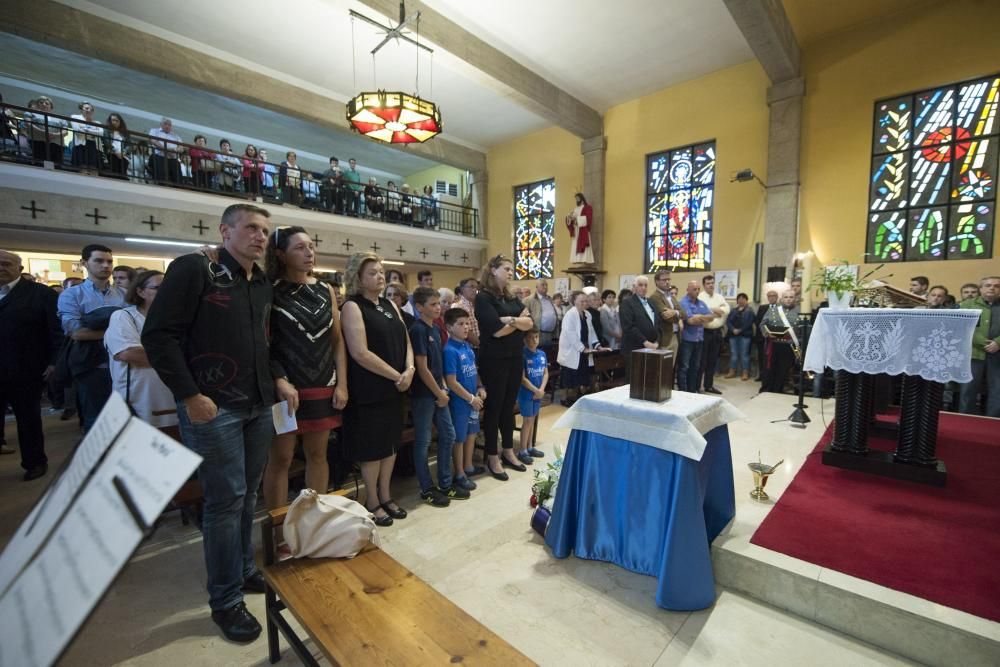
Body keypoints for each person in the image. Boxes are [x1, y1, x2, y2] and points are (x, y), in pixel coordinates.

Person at [142, 204, 285, 642]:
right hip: (212, 405)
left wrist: (276, 381)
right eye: (251, 228)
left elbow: (263, 340)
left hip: (258, 404)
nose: (260, 237)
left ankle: (243, 571)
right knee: (224, 503)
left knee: (245, 499)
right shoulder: (194, 269)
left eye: (265, 230)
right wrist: (189, 395)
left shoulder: (260, 281)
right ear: (225, 231)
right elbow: (159, 335)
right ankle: (225, 602)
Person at [258, 227, 348, 523]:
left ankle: (314, 521)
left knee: (318, 455)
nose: (309, 253)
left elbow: (337, 340)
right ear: (281, 254)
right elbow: (263, 343)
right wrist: (279, 379)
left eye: (311, 246)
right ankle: (279, 525)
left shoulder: (324, 289)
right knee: (281, 458)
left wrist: (342, 383)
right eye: (300, 248)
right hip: (285, 387)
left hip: (322, 383)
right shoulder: (268, 289)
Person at [340, 253, 414, 525]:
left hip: (396, 385)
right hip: (370, 387)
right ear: (357, 277)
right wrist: (398, 375)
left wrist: (410, 369)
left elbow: (405, 339)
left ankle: (386, 494)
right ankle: (371, 499)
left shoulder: (389, 304)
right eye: (372, 272)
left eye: (381, 271)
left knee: (391, 443)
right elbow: (360, 353)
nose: (380, 276)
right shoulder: (352, 306)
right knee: (373, 448)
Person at [0, 249, 62, 481]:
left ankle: (35, 462)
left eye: (6, 263)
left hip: (25, 368)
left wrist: (54, 362)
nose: (1, 268)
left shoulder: (40, 294)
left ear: (20, 269)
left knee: (28, 419)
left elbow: (56, 332)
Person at [475, 254, 535, 480]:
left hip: (514, 357)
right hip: (494, 360)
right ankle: (492, 455)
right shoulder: (484, 298)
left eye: (512, 270)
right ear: (493, 270)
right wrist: (516, 322)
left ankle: (509, 451)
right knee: (495, 408)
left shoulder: (510, 297)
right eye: (506, 269)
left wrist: (509, 320)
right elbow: (495, 331)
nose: (511, 273)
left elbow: (530, 323)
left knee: (509, 406)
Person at [57, 244, 126, 431]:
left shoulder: (123, 294)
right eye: (99, 261)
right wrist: (117, 333)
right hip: (90, 365)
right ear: (84, 263)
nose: (106, 265)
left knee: (124, 416)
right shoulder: (72, 295)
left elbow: (134, 328)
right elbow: (77, 333)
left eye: (109, 261)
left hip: (121, 361)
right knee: (96, 420)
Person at [410, 287, 466, 506]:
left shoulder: (435, 328)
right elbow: (422, 368)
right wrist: (438, 393)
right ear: (419, 307)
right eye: (433, 304)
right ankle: (426, 487)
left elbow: (437, 365)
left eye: (438, 303)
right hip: (424, 394)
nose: (438, 307)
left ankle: (445, 483)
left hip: (438, 391)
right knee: (423, 441)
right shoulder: (418, 329)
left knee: (449, 435)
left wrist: (443, 389)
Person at [104, 270, 178, 432]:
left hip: (174, 401)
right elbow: (129, 353)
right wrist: (180, 357)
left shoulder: (175, 320)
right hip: (140, 403)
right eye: (158, 288)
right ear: (140, 291)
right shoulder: (123, 317)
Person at [443, 307, 485, 489]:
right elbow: (451, 381)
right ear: (449, 327)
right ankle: (459, 473)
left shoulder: (467, 346)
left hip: (472, 399)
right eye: (460, 324)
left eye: (467, 323)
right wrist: (470, 398)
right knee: (459, 438)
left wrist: (480, 387)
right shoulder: (449, 350)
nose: (466, 327)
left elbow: (473, 370)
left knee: (471, 434)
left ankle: (468, 466)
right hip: (461, 403)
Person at [958, 276, 999, 417]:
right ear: (981, 289)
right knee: (968, 390)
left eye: (996, 286)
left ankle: (993, 421)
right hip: (973, 353)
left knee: (997, 390)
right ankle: (964, 420)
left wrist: (998, 342)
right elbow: (963, 327)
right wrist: (984, 343)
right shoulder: (967, 305)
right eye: (987, 285)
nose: (992, 288)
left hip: (998, 355)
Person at [558, 291, 606, 406]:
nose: (584, 303)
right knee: (570, 375)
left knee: (582, 374)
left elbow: (591, 332)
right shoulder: (570, 315)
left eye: (586, 301)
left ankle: (578, 397)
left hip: (583, 349)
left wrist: (597, 345)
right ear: (574, 302)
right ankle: (565, 399)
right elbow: (571, 335)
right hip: (571, 350)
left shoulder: (587, 315)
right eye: (581, 301)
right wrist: (582, 348)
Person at [760, 290, 801, 394]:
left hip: (791, 345)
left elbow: (804, 330)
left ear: (795, 298)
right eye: (786, 297)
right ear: (782, 299)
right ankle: (766, 390)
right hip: (773, 344)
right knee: (769, 369)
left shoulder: (800, 311)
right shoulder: (773, 310)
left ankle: (778, 391)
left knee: (783, 370)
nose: (788, 299)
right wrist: (767, 333)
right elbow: (763, 324)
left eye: (791, 297)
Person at [517, 327, 548, 463]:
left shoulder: (541, 354)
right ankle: (522, 450)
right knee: (527, 420)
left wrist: (541, 390)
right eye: (531, 337)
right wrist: (536, 391)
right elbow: (522, 378)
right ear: (524, 339)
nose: (534, 340)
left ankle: (529, 447)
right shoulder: (522, 355)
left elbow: (545, 373)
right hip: (526, 393)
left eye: (536, 337)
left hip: (538, 393)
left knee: (533, 419)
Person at [619, 276, 660, 379]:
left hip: (652, 346)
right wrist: (645, 342)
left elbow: (658, 324)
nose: (643, 288)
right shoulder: (627, 303)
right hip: (634, 347)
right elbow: (628, 326)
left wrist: (657, 342)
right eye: (640, 285)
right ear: (634, 287)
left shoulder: (651, 302)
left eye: (645, 285)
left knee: (649, 377)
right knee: (634, 379)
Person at [677, 281, 714, 393]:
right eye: (694, 289)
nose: (697, 291)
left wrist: (699, 317)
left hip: (699, 340)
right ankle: (683, 391)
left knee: (696, 367)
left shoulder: (701, 303)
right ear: (688, 290)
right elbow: (690, 321)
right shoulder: (683, 303)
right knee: (684, 367)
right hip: (687, 340)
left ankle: (692, 390)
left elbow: (711, 317)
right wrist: (702, 318)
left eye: (698, 289)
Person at [698, 274, 730, 394]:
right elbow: (702, 311)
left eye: (712, 283)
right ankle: (697, 386)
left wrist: (712, 310)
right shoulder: (700, 297)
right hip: (704, 332)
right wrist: (715, 310)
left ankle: (709, 385)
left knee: (712, 360)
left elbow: (726, 310)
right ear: (704, 285)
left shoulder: (719, 296)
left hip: (717, 333)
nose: (711, 285)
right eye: (708, 283)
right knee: (702, 361)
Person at [647, 269, 684, 360]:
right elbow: (666, 318)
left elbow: (685, 314)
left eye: (668, 279)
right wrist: (678, 315)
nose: (667, 282)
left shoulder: (670, 296)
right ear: (657, 281)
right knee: (662, 369)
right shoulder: (655, 297)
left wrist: (674, 312)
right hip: (665, 338)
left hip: (675, 336)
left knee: (671, 369)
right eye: (664, 280)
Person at [24, 96, 67, 165]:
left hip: (57, 145)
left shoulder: (60, 118)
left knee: (56, 166)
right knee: (40, 164)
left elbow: (65, 131)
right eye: (41, 103)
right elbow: (28, 124)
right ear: (37, 105)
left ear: (51, 106)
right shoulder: (31, 113)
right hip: (38, 142)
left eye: (47, 103)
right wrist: (43, 132)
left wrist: (55, 135)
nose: (44, 104)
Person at [725, 293, 755, 380]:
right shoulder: (733, 310)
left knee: (744, 354)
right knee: (733, 354)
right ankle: (732, 371)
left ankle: (745, 373)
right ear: (737, 300)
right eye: (739, 299)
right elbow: (728, 321)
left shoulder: (750, 311)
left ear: (746, 300)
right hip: (733, 335)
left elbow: (749, 323)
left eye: (743, 299)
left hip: (745, 336)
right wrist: (733, 329)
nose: (741, 300)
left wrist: (740, 330)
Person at [523, 278, 559, 346]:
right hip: (537, 334)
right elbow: (524, 316)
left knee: (548, 355)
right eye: (542, 285)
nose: (545, 287)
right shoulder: (529, 300)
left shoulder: (549, 299)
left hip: (551, 334)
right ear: (536, 287)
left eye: (546, 285)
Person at [69, 101, 103, 173]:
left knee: (94, 169)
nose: (89, 110)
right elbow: (78, 131)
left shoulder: (97, 123)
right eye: (87, 108)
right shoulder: (75, 117)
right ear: (82, 109)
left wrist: (86, 130)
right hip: (81, 145)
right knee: (82, 168)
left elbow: (100, 133)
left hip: (95, 146)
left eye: (91, 109)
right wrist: (93, 132)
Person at [148, 117, 182, 184]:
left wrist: (174, 150)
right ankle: (162, 185)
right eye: (165, 124)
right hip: (159, 156)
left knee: (177, 176)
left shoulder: (176, 136)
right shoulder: (154, 131)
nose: (167, 126)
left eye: (169, 125)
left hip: (172, 158)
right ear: (161, 124)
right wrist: (168, 150)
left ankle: (178, 187)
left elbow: (181, 147)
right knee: (161, 175)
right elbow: (154, 141)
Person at [755, 289, 779, 383]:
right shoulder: (762, 307)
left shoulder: (780, 308)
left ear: (777, 298)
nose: (772, 297)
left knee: (773, 358)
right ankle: (762, 375)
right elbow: (758, 321)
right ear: (767, 298)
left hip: (775, 337)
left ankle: (773, 376)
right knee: (762, 358)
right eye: (770, 296)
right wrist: (765, 331)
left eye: (774, 296)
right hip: (763, 337)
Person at [566, 192, 595, 264]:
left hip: (583, 230)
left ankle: (584, 259)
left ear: (582, 199)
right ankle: (576, 259)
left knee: (583, 243)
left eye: (578, 198)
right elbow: (571, 220)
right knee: (575, 243)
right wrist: (569, 218)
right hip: (576, 229)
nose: (577, 200)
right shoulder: (575, 209)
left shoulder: (587, 207)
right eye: (576, 199)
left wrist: (577, 219)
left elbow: (587, 219)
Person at [454, 277, 480, 347]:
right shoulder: (459, 307)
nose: (475, 290)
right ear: (462, 289)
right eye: (471, 287)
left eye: (476, 287)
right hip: (470, 347)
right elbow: (467, 331)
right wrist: (481, 345)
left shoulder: (476, 305)